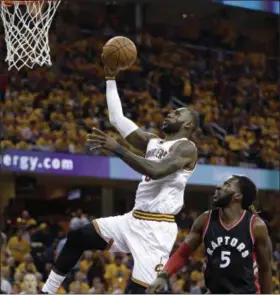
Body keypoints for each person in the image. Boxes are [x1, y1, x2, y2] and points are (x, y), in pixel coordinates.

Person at [41, 65, 198, 294]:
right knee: (78, 237)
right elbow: (117, 118)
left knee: (137, 291)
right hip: (133, 219)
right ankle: (46, 291)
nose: (169, 114)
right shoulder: (153, 142)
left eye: (177, 113)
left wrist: (118, 149)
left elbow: (156, 170)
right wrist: (110, 78)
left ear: (188, 125)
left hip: (157, 229)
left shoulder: (187, 148)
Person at [146, 175, 273, 294]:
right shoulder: (205, 220)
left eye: (227, 185)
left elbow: (265, 268)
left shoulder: (256, 226)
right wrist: (162, 276)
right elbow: (182, 254)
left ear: (238, 196)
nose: (219, 187)